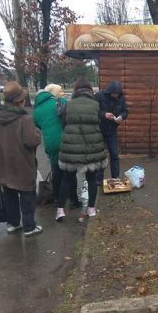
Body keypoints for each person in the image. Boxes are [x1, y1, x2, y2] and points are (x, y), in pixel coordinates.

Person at [0, 81, 43, 236]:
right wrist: (37, 132)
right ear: (19, 101)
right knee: (27, 195)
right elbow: (32, 140)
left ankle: (12, 223)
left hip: (2, 163)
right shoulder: (24, 119)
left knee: (9, 194)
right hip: (22, 164)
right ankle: (29, 227)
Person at [58, 78, 107, 218]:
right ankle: (91, 209)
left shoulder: (68, 105)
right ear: (90, 90)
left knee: (67, 178)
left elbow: (63, 124)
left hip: (71, 146)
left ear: (75, 90)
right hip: (91, 145)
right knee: (91, 178)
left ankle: (60, 210)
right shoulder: (95, 105)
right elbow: (98, 122)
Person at [33, 83, 79, 221]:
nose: (62, 93)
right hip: (66, 141)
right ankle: (73, 200)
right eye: (60, 91)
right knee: (70, 172)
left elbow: (37, 125)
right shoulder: (61, 102)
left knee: (56, 171)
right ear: (52, 93)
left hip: (50, 144)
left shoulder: (37, 110)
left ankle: (58, 199)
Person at [96, 80, 128, 182]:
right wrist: (104, 115)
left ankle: (115, 178)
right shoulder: (99, 96)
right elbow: (93, 110)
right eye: (114, 94)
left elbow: (125, 111)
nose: (116, 96)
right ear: (109, 91)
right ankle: (98, 179)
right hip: (99, 130)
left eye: (117, 94)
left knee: (114, 154)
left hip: (112, 130)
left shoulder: (121, 98)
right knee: (99, 155)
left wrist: (121, 117)